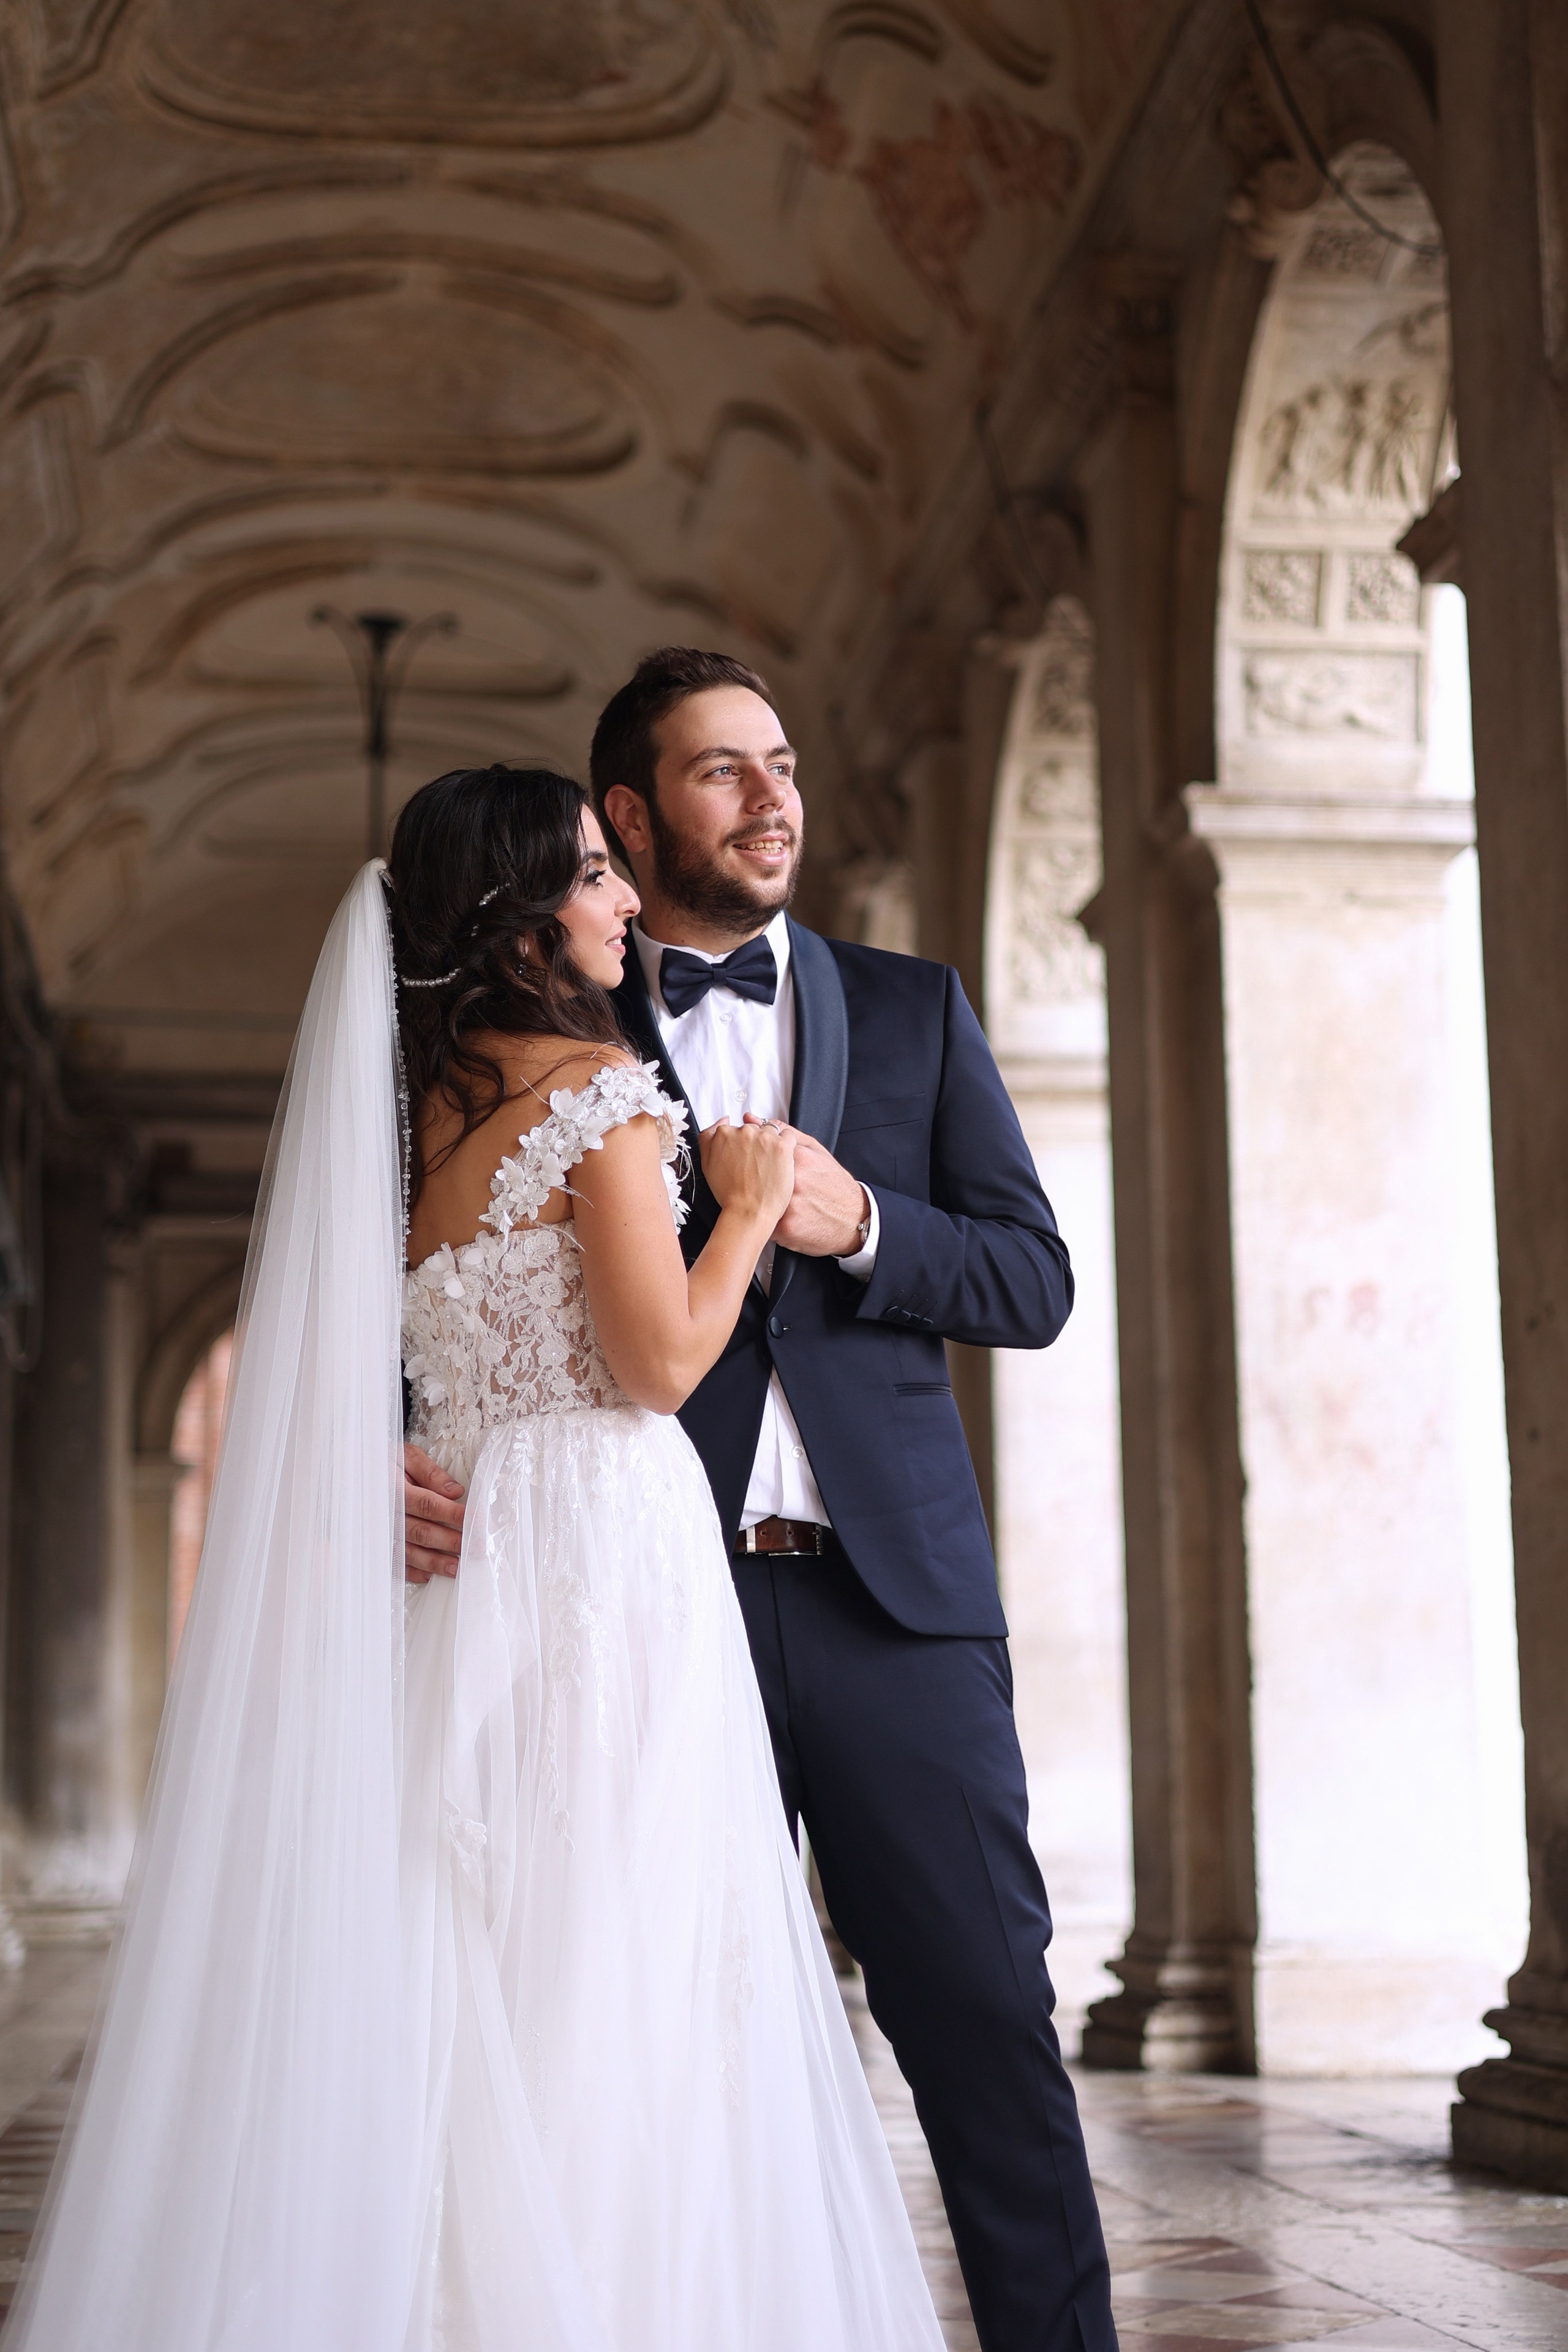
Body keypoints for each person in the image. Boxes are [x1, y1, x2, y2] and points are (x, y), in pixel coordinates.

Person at [9, 768, 945, 2351]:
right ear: (520, 923)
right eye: (593, 875)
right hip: (604, 1544)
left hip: (468, 1550)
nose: (627, 900)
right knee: (628, 1942)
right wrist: (750, 1204)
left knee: (476, 1927)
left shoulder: (412, 1119)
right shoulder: (602, 1094)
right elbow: (658, 1369)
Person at [407, 648, 1119, 2352]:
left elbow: (1033, 1281)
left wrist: (856, 1222)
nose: (777, 794)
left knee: (985, 2024)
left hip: (898, 1614)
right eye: (726, 770)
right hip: (641, 1608)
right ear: (629, 817)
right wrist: (376, 1441)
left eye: (785, 761)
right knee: (645, 2031)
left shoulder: (920, 1007)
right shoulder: (548, 1033)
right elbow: (420, 1256)